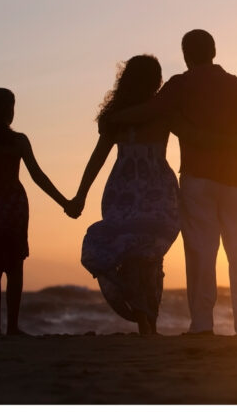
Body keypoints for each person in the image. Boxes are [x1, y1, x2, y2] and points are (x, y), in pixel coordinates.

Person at [104, 29, 237, 336]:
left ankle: (202, 325)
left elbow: (149, 111)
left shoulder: (181, 84)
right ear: (214, 51)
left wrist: (115, 118)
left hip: (198, 181)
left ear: (186, 55)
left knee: (201, 253)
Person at [63, 55, 182, 335]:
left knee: (134, 253)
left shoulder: (116, 118)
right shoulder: (161, 111)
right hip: (156, 190)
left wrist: (81, 194)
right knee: (151, 256)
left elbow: (97, 159)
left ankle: (144, 317)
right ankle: (147, 320)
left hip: (123, 191)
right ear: (155, 80)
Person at [0, 87, 69, 336]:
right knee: (14, 266)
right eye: (10, 107)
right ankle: (12, 327)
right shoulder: (18, 141)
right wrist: (64, 202)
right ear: (4, 112)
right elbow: (38, 177)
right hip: (12, 207)